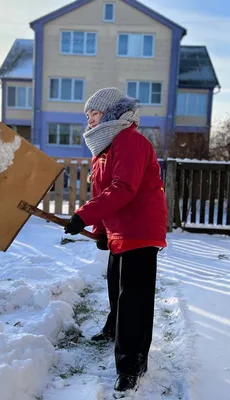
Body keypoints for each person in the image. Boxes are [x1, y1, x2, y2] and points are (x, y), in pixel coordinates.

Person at [64, 87, 168, 395]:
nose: (90, 121)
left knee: (134, 298)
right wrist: (100, 231)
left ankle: (131, 366)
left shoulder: (130, 141)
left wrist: (84, 215)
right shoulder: (104, 150)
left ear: (109, 114)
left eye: (93, 114)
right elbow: (103, 194)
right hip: (120, 229)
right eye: (88, 116)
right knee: (116, 287)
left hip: (140, 230)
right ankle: (114, 329)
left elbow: (124, 188)